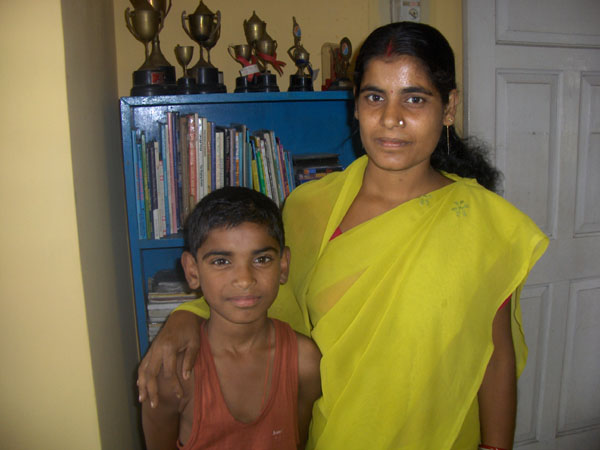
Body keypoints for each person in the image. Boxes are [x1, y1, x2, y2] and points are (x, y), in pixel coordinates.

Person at [138, 22, 548, 450]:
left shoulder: (484, 222)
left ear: (449, 108)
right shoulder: (311, 207)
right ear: (355, 105)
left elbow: (495, 357)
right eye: (375, 97)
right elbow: (262, 297)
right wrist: (185, 318)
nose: (390, 118)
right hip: (337, 434)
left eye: (414, 98)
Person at [141, 187, 322, 450]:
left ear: (283, 265)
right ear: (192, 271)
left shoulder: (305, 362)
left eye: (262, 259)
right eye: (221, 262)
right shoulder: (172, 375)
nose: (245, 280)